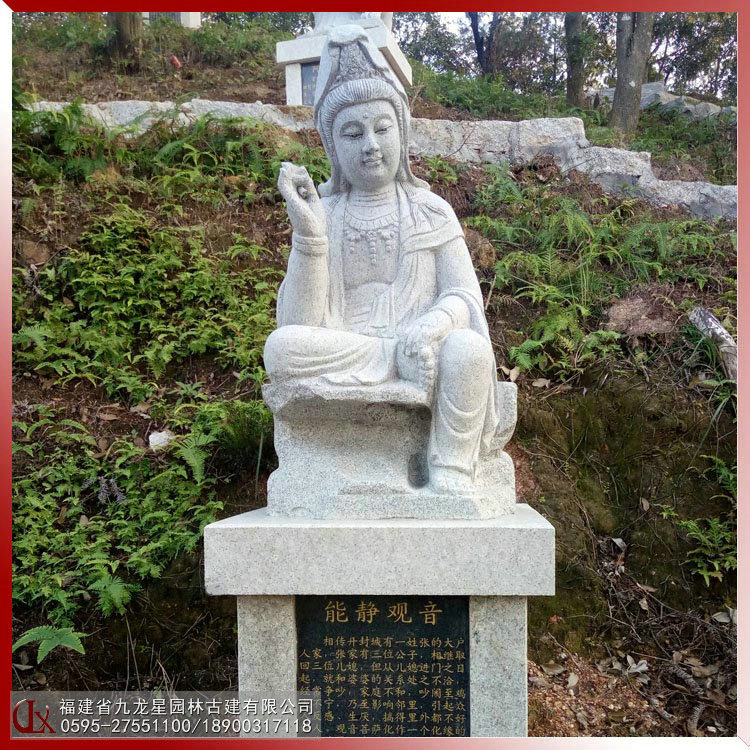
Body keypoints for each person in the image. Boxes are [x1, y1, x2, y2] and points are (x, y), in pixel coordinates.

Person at [264, 25, 499, 494]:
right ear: (333, 148)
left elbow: (464, 298)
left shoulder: (431, 209)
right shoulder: (327, 213)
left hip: (423, 344)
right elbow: (300, 322)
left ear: (402, 134)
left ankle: (450, 470)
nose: (370, 145)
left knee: (469, 350)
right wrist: (310, 235)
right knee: (281, 348)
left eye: (382, 128)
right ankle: (396, 361)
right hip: (356, 347)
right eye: (352, 134)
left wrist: (430, 326)